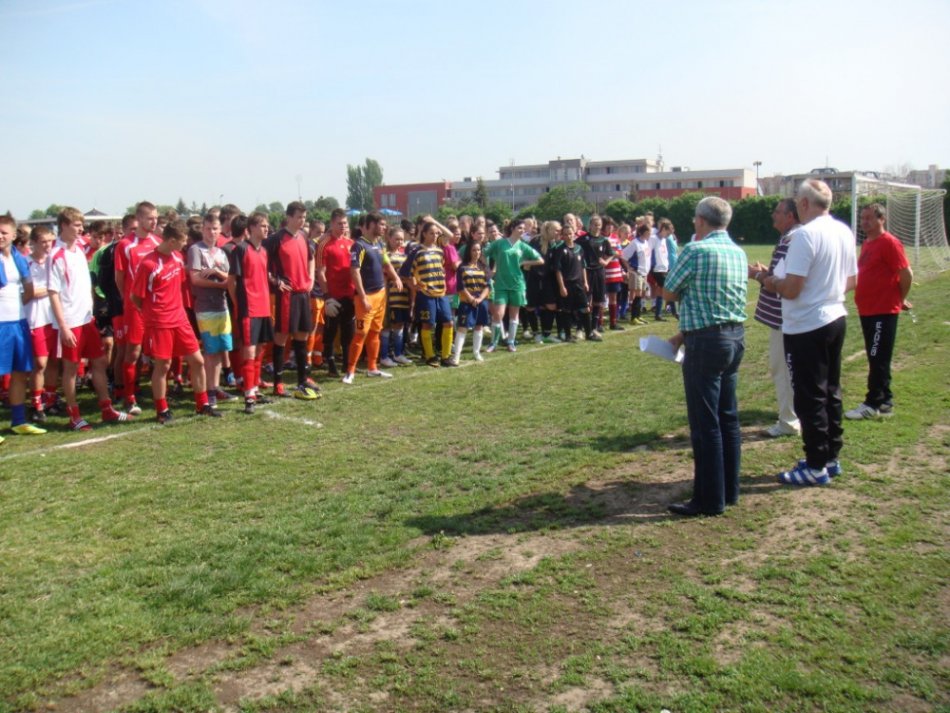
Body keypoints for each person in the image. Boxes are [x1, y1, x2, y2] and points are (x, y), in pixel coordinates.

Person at [763, 179, 857, 486]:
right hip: (835, 316)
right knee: (831, 391)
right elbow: (851, 280)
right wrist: (825, 292)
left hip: (807, 325)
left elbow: (791, 288)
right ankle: (830, 456)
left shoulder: (805, 234)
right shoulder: (842, 230)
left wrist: (771, 282)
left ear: (804, 203)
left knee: (809, 396)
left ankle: (816, 465)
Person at [662, 197, 748, 516]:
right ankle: (729, 489)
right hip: (734, 337)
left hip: (706, 342)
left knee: (705, 423)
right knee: (728, 418)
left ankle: (709, 499)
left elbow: (669, 291)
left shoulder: (695, 250)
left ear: (700, 220)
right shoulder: (738, 252)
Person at [47, 208, 131, 431]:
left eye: (81, 225)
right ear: (63, 225)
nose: (81, 229)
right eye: (76, 225)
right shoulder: (56, 255)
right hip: (70, 322)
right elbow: (53, 293)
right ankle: (74, 415)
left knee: (100, 362)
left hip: (86, 320)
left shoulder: (78, 251)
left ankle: (106, 408)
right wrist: (63, 326)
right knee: (71, 368)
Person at [131, 221, 219, 423]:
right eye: (182, 240)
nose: (185, 244)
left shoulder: (178, 258)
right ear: (171, 241)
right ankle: (162, 410)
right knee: (163, 365)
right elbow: (136, 297)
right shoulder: (148, 264)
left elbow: (177, 286)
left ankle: (202, 404)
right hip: (160, 322)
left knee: (197, 361)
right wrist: (153, 313)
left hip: (180, 319)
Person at [845, 203, 912, 420]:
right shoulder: (867, 243)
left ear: (881, 219)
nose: (864, 222)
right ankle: (885, 402)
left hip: (882, 310)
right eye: (862, 218)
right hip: (867, 309)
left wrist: (900, 299)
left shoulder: (889, 243)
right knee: (876, 356)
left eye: (869, 218)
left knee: (877, 357)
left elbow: (906, 273)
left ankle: (872, 404)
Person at [748, 199, 802, 438]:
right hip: (791, 316)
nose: (773, 215)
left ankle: (788, 421)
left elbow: (781, 283)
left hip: (785, 318)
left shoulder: (791, 239)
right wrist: (767, 273)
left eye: (778, 212)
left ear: (790, 216)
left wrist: (757, 275)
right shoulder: (793, 238)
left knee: (783, 369)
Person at [266, 202, 319, 400]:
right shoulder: (276, 239)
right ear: (288, 217)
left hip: (303, 293)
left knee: (302, 335)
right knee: (281, 336)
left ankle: (302, 379)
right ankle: (278, 383)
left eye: (304, 217)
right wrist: (275, 281)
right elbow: (262, 263)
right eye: (298, 217)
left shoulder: (304, 236)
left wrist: (311, 278)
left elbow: (311, 258)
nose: (302, 221)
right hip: (286, 295)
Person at [342, 212, 402, 383]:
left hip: (380, 295)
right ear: (371, 225)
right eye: (381, 224)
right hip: (366, 297)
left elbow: (386, 263)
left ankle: (372, 367)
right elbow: (354, 271)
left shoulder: (379, 244)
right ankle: (350, 371)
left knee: (375, 332)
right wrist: (362, 297)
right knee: (360, 334)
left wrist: (396, 277)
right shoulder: (359, 246)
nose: (384, 227)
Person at [114, 201, 162, 415]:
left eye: (156, 218)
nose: (154, 222)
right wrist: (130, 300)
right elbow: (120, 278)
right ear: (140, 218)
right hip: (135, 307)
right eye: (150, 218)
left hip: (156, 306)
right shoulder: (125, 245)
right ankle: (129, 397)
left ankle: (157, 393)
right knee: (133, 351)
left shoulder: (158, 242)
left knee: (158, 351)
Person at [0, 215, 45, 438]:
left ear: (14, 234)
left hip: (18, 322)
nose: (0, 236)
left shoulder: (18, 258)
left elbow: (28, 289)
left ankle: (18, 421)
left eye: (3, 232)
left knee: (20, 372)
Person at [227, 212, 275, 414]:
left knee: (260, 349)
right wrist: (239, 303)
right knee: (249, 350)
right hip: (249, 307)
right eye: (262, 225)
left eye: (267, 225)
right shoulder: (240, 249)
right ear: (252, 228)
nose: (266, 228)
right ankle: (248, 395)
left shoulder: (263, 251)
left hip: (263, 307)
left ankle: (254, 388)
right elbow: (231, 281)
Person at [188, 213, 234, 408]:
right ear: (202, 229)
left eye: (215, 229)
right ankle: (209, 392)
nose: (211, 232)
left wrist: (216, 272)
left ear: (220, 230)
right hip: (205, 307)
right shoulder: (195, 250)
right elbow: (195, 279)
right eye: (208, 228)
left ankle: (215, 388)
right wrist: (220, 283)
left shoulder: (221, 252)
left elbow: (230, 278)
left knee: (221, 349)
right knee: (210, 351)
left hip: (222, 306)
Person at [482, 219, 544, 352]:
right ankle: (493, 342)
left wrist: (525, 262)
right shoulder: (499, 243)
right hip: (501, 284)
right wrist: (488, 268)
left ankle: (511, 342)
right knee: (498, 314)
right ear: (512, 228)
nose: (522, 230)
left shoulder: (523, 246)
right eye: (520, 228)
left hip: (517, 284)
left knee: (514, 315)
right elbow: (483, 253)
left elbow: (540, 260)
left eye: (523, 229)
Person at [405, 216, 456, 367]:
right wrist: (413, 286)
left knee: (448, 323)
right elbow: (405, 273)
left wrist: (434, 221)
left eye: (436, 233)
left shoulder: (439, 251)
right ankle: (429, 356)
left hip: (441, 293)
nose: (435, 236)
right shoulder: (417, 251)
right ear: (424, 234)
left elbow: (451, 236)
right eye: (431, 233)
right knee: (427, 325)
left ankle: (446, 356)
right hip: (426, 295)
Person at [317, 208, 355, 377]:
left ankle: (346, 364)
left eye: (345, 223)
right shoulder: (324, 243)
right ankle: (330, 362)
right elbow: (320, 272)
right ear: (332, 224)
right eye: (339, 223)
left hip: (349, 293)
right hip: (333, 294)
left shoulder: (351, 243)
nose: (343, 226)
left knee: (348, 330)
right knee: (331, 330)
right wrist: (327, 297)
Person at [553, 223, 599, 342]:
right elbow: (558, 270)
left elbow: (583, 266)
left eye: (570, 234)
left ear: (574, 234)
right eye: (566, 234)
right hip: (567, 284)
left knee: (585, 308)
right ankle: (568, 335)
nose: (568, 236)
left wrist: (585, 282)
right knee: (567, 310)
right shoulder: (560, 250)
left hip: (579, 284)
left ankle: (589, 334)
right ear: (562, 236)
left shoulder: (579, 248)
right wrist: (562, 286)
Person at [451, 241, 491, 363]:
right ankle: (456, 356)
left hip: (481, 302)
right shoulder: (462, 267)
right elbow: (460, 287)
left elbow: (488, 286)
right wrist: (471, 299)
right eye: (474, 250)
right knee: (463, 328)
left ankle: (476, 353)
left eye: (478, 250)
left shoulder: (484, 267)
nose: (476, 252)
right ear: (469, 251)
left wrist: (479, 299)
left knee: (479, 327)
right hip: (467, 302)